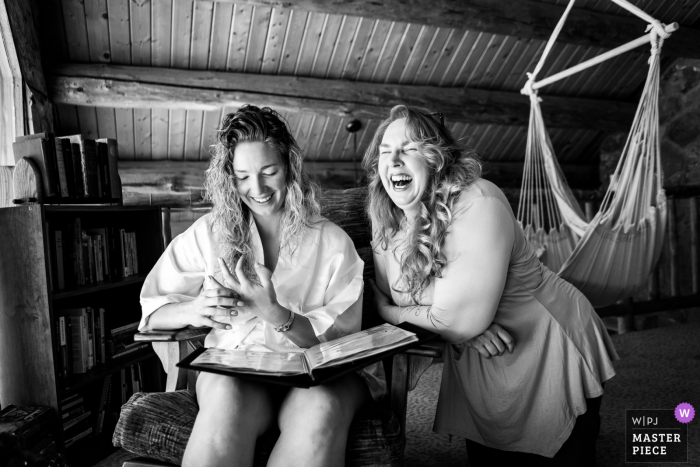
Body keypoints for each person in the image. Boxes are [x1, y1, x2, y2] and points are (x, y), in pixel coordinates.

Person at [364, 105, 619, 466]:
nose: (394, 160)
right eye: (385, 152)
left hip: (547, 342)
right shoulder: (385, 219)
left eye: (409, 148)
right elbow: (440, 313)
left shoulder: (478, 201)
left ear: (437, 158)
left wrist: (393, 312)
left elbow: (408, 308)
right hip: (478, 358)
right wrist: (460, 326)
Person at [138, 105, 380, 467]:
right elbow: (152, 309)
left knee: (321, 406)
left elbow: (343, 347)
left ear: (290, 167)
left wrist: (278, 315)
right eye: (242, 176)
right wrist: (194, 308)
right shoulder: (209, 233)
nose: (258, 189)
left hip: (314, 374)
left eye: (270, 172)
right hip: (238, 371)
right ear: (228, 178)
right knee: (223, 399)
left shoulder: (333, 243)